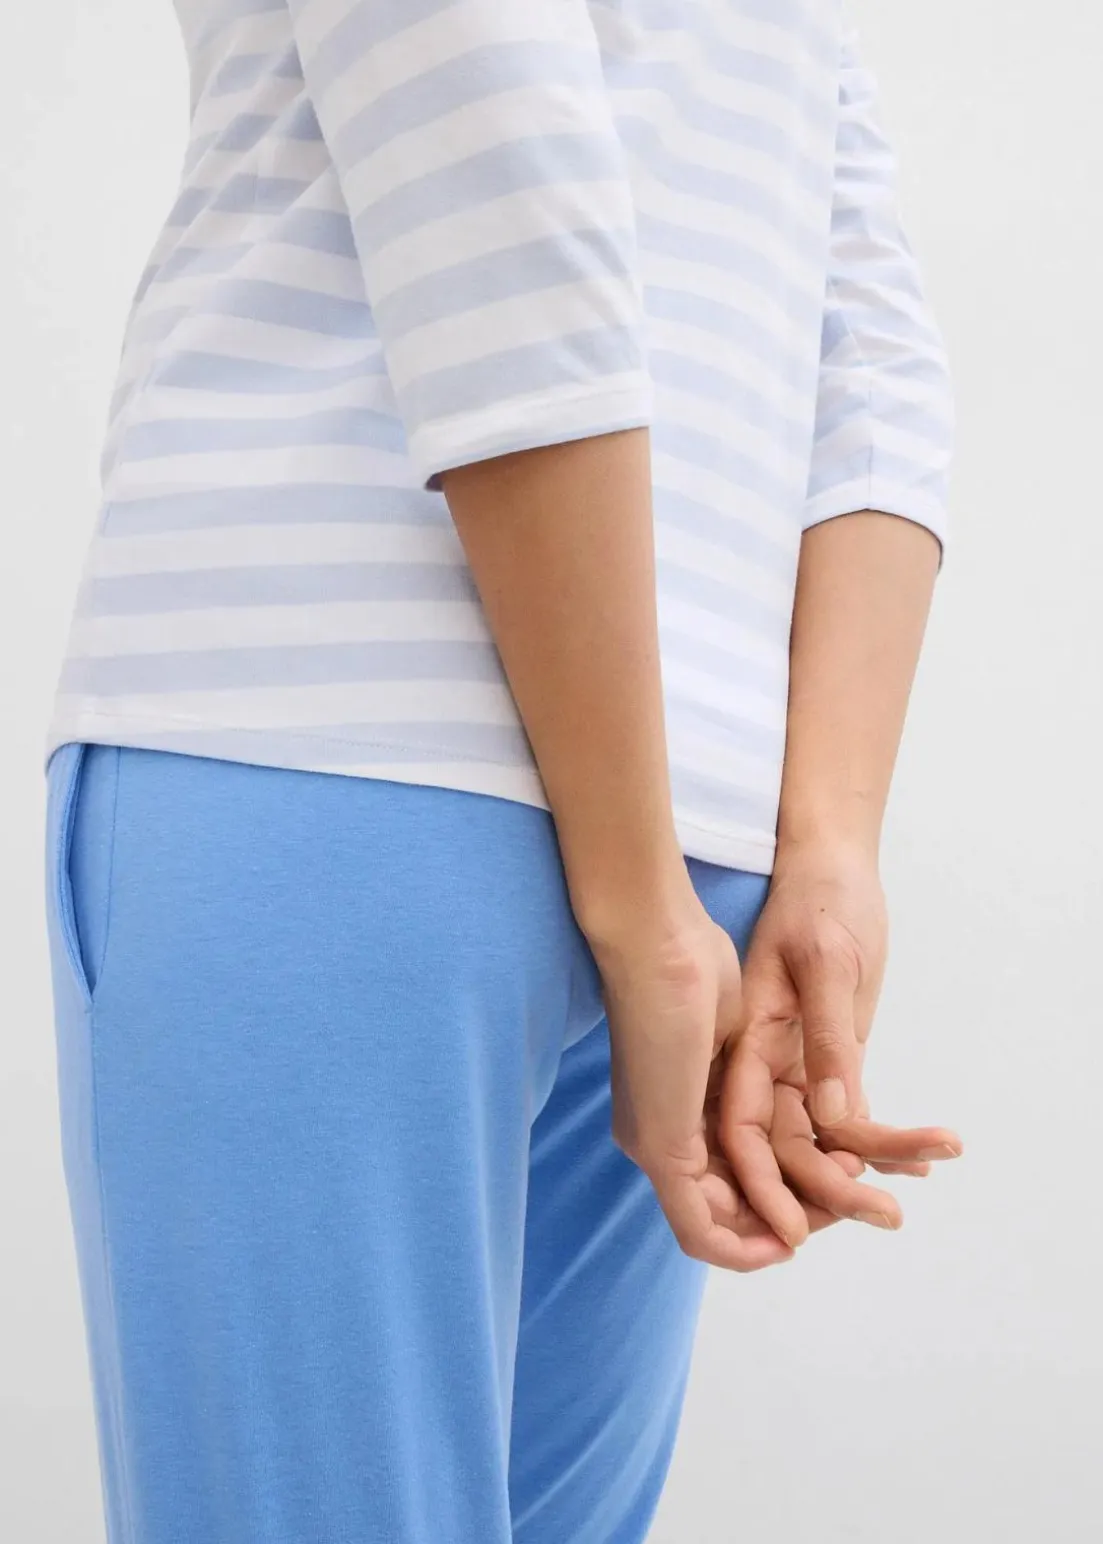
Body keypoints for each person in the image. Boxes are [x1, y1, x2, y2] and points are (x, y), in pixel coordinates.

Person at [43, 2, 962, 1541]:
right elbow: (867, 344)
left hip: (330, 763)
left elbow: (491, 183)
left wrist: (651, 906)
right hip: (698, 842)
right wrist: (814, 850)